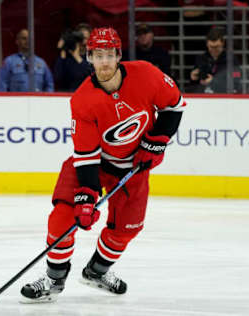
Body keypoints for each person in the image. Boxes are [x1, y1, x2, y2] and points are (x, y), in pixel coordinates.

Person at [20, 27, 186, 303]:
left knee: (128, 228)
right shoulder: (83, 100)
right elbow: (86, 154)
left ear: (119, 55)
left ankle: (97, 272)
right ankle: (53, 279)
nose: (105, 61)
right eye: (99, 55)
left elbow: (174, 106)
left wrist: (157, 141)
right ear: (90, 58)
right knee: (63, 217)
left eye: (110, 54)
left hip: (133, 168)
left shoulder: (146, 74)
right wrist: (86, 195)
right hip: (93, 165)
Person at [189, 27, 241, 93]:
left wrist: (214, 81)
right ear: (207, 44)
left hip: (224, 96)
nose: (213, 50)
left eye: (216, 47)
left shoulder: (231, 60)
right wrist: (193, 78)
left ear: (223, 43)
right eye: (211, 47)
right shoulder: (201, 58)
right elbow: (193, 85)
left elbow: (236, 82)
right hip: (203, 95)